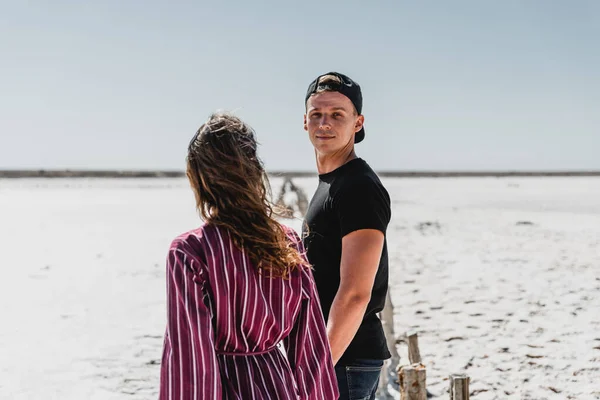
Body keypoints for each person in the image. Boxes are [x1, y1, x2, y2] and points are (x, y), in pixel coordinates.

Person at [159, 113, 339, 399]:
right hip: (278, 387)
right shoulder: (287, 242)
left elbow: (192, 363)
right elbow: (311, 352)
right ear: (254, 172)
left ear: (201, 178)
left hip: (225, 386)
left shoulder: (189, 252)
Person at [302, 72, 392, 400]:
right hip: (335, 357)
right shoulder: (332, 182)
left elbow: (355, 293)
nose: (324, 123)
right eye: (317, 114)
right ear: (305, 122)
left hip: (345, 361)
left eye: (338, 114)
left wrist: (317, 369)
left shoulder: (358, 187)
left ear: (358, 122)